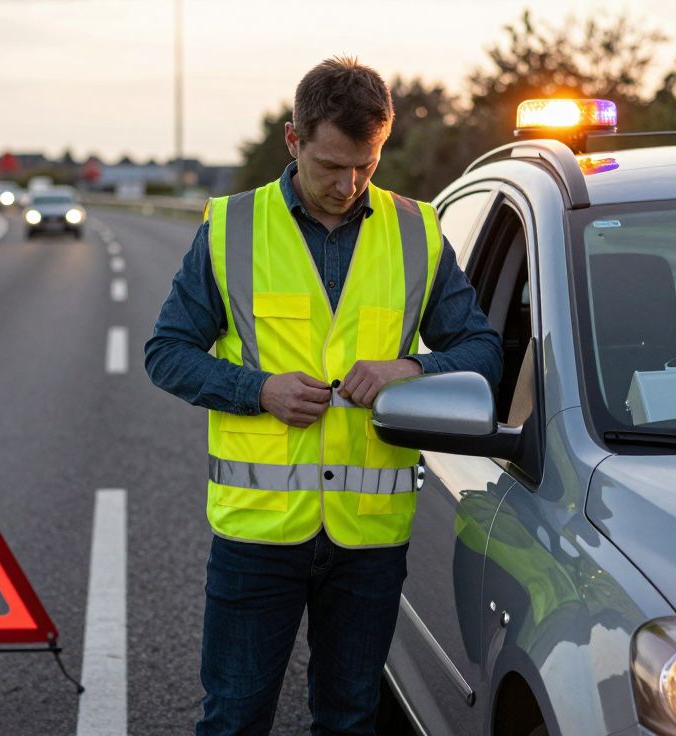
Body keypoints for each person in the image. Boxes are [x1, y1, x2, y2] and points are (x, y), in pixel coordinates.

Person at [145, 56, 502, 735]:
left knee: (348, 718)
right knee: (234, 718)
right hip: (258, 534)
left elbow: (483, 353)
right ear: (293, 141)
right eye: (330, 165)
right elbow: (166, 354)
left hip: (369, 540)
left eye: (365, 165)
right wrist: (259, 390)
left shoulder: (417, 231)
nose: (347, 184)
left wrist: (412, 369)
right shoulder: (230, 228)